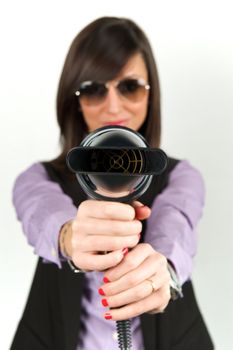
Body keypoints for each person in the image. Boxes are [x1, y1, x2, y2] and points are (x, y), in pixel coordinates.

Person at [11, 16, 214, 350]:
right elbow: (40, 209)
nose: (113, 106)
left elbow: (177, 221)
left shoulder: (182, 176)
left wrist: (162, 270)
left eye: (130, 86)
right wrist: (69, 236)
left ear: (151, 95)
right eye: (93, 90)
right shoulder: (37, 178)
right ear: (74, 100)